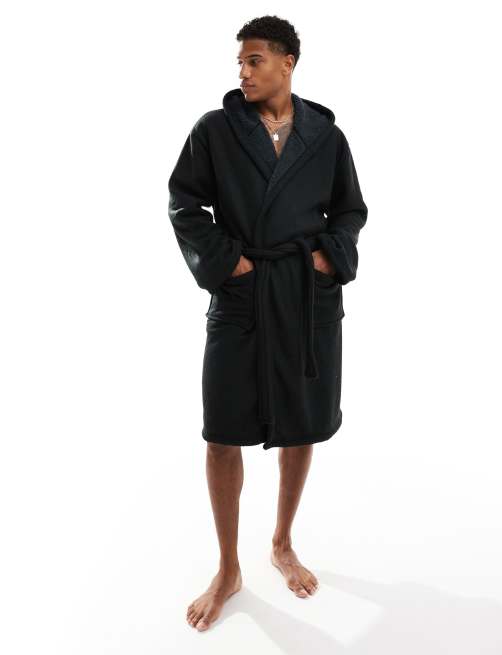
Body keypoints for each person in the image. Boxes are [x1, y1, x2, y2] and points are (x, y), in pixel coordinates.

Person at [167, 15, 368, 632]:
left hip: (305, 296)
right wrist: (229, 263)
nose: (243, 72)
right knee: (222, 431)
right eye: (240, 62)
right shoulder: (215, 130)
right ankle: (228, 566)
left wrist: (328, 256)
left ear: (288, 63)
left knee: (302, 420)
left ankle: (282, 543)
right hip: (242, 296)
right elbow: (184, 203)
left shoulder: (325, 136)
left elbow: (351, 210)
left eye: (254, 60)